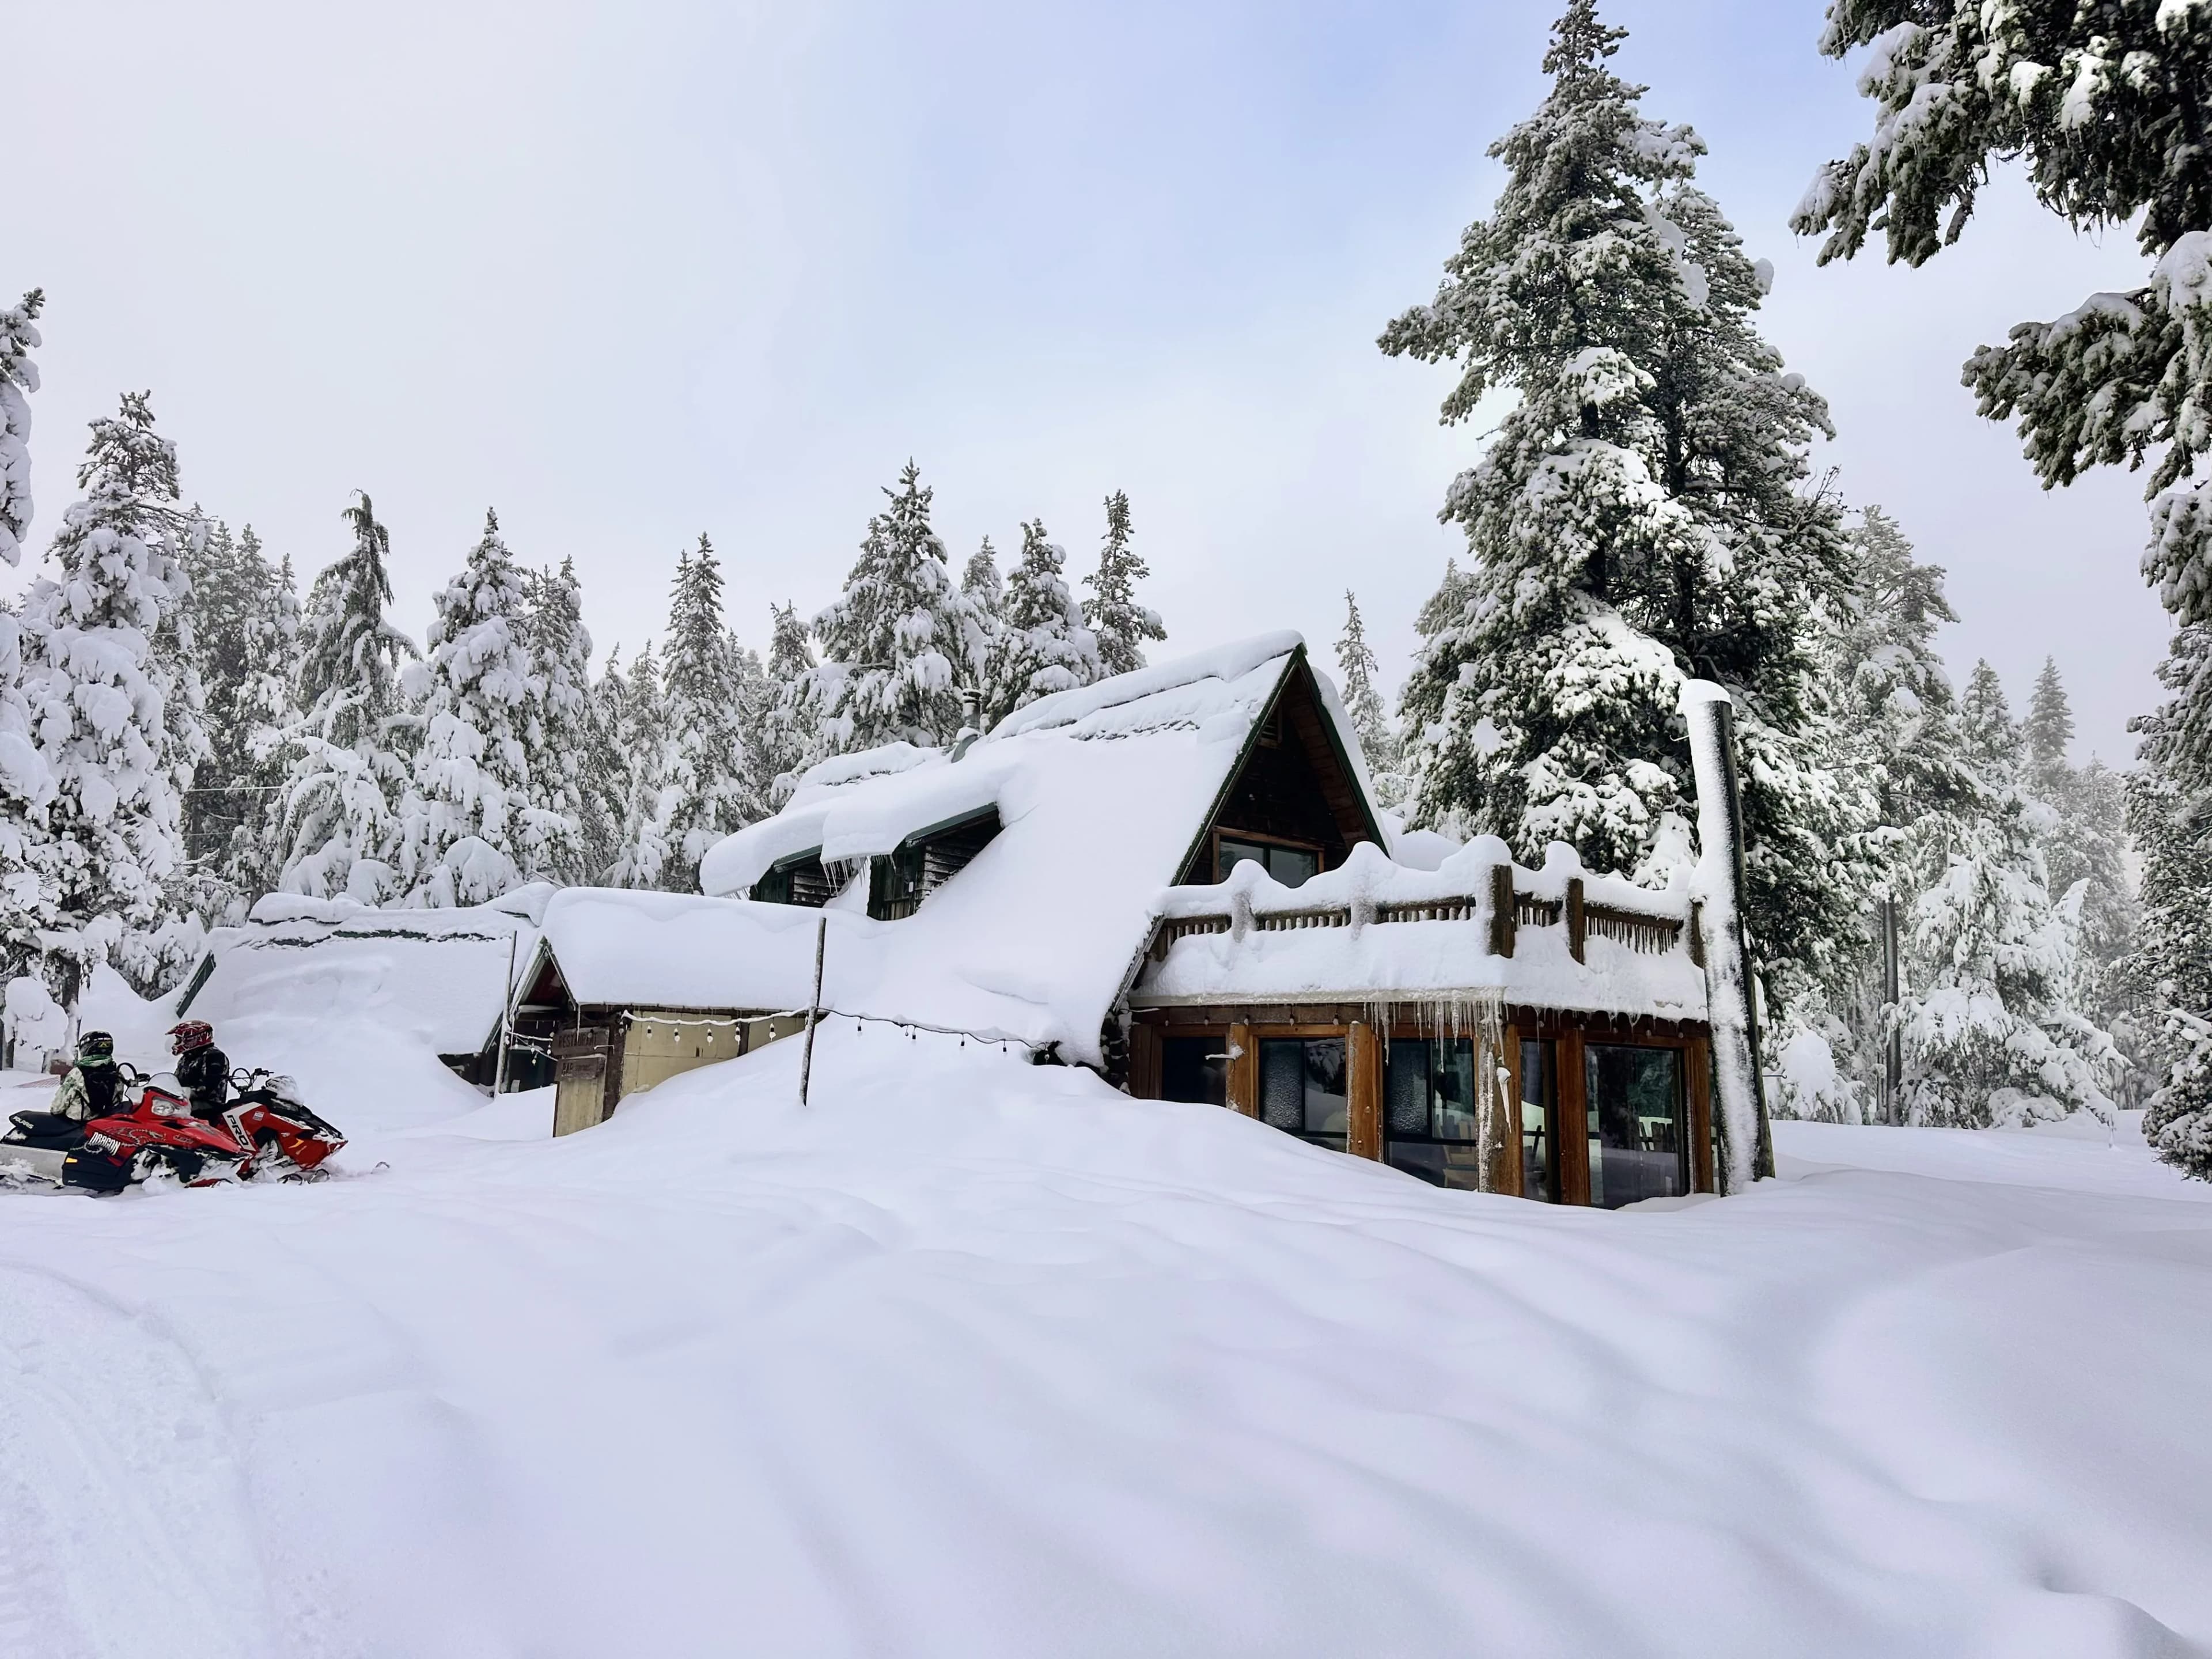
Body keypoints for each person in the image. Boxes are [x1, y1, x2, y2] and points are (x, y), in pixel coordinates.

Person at [52, 1030, 125, 1123]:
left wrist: (55, 1111)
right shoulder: (117, 1071)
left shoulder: (78, 1073)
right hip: (106, 1123)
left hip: (79, 1123)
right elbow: (118, 1099)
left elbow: (58, 1106)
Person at [167, 1021, 231, 1122]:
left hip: (209, 1107)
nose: (177, 1043)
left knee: (171, 1115)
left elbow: (207, 1088)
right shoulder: (187, 1057)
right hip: (185, 1102)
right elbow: (176, 1081)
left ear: (193, 1039)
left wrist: (184, 1092)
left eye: (180, 1040)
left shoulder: (214, 1056)